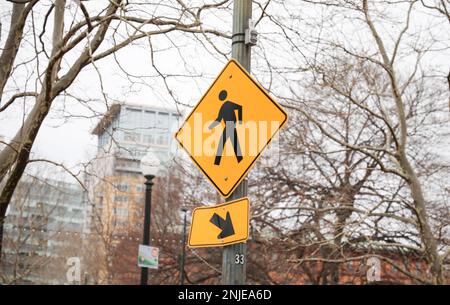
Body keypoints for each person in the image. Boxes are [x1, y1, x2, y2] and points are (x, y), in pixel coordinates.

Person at [208, 90, 243, 165]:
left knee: (222, 143)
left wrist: (240, 121)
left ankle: (216, 163)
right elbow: (219, 119)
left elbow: (240, 107)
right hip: (229, 126)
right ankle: (240, 160)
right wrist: (211, 126)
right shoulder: (222, 107)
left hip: (230, 125)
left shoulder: (228, 104)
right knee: (234, 145)